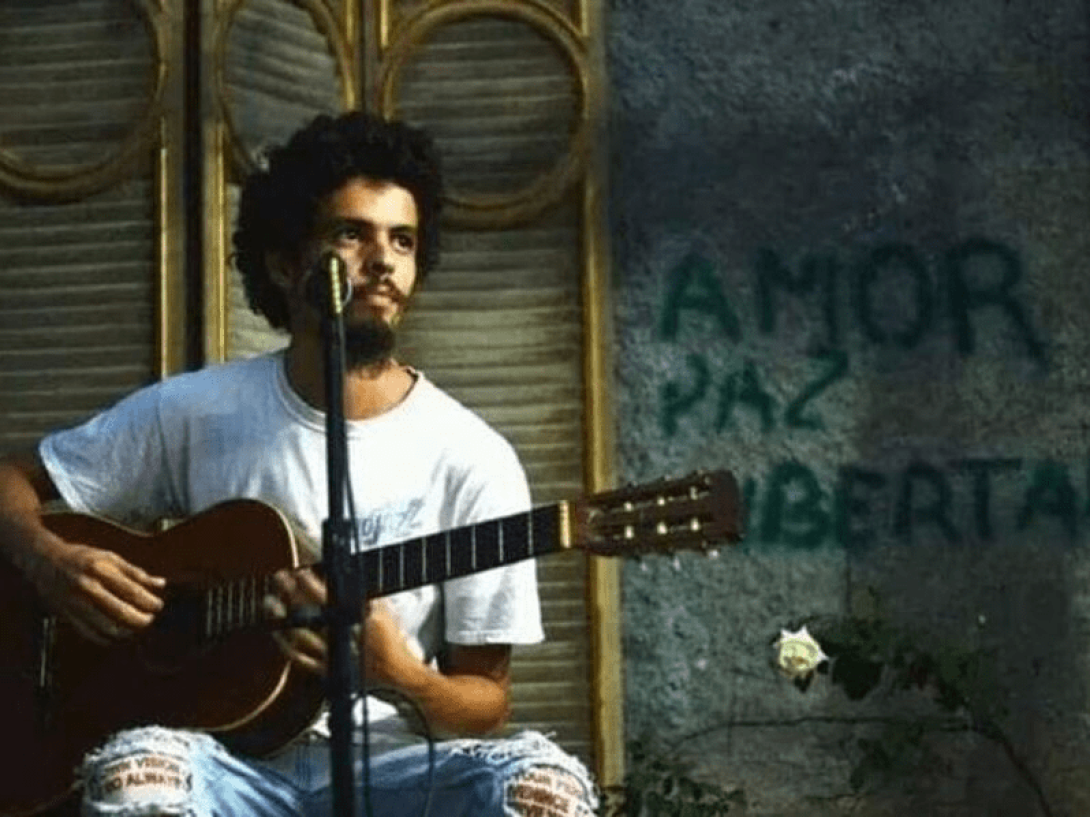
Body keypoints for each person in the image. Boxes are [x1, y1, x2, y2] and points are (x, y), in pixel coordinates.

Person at [0, 111, 597, 817]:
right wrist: (46, 558)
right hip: (226, 762)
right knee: (140, 777)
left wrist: (398, 671)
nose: (382, 260)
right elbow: (13, 483)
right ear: (285, 263)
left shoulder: (473, 457)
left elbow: (484, 703)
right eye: (352, 233)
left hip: (397, 769)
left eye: (402, 240)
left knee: (540, 790)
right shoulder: (200, 410)